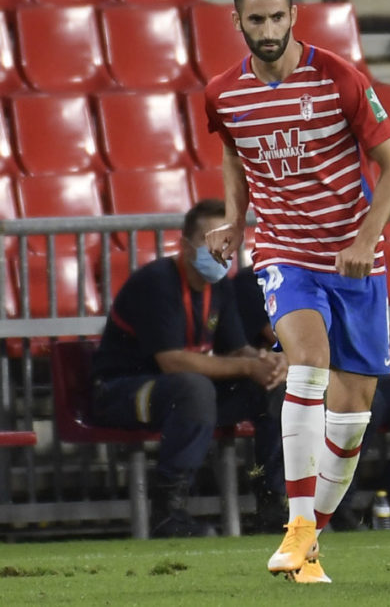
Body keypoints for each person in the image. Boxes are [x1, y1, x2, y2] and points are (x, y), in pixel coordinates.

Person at [203, 0, 390, 584]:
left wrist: (366, 236)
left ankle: (309, 543)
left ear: (294, 16)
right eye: (255, 19)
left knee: (351, 418)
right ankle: (297, 527)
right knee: (308, 362)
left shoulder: (340, 76)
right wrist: (235, 222)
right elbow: (234, 153)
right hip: (285, 253)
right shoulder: (222, 92)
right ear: (236, 21)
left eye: (277, 17)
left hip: (355, 259)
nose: (268, 30)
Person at [91, 199, 288, 538]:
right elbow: (173, 361)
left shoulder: (220, 287)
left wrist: (266, 361)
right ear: (185, 245)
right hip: (121, 392)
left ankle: (274, 503)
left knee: (274, 385)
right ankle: (168, 512)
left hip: (180, 392)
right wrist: (245, 365)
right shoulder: (157, 282)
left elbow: (236, 347)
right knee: (192, 388)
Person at [231, 266, 390, 530]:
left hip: (362, 372)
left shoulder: (350, 271)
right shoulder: (261, 278)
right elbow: (296, 340)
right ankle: (337, 505)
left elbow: (366, 333)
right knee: (364, 403)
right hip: (308, 377)